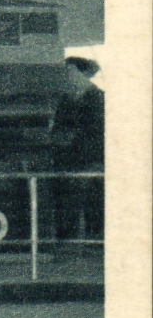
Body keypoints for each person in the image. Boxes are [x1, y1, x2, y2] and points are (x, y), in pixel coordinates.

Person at [52, 56, 104, 239]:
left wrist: (72, 139)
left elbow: (97, 132)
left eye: (71, 72)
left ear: (83, 74)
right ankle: (67, 240)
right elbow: (58, 127)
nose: (68, 77)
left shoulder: (97, 99)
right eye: (66, 73)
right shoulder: (66, 100)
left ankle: (94, 242)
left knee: (93, 204)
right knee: (66, 204)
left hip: (89, 161)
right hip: (67, 160)